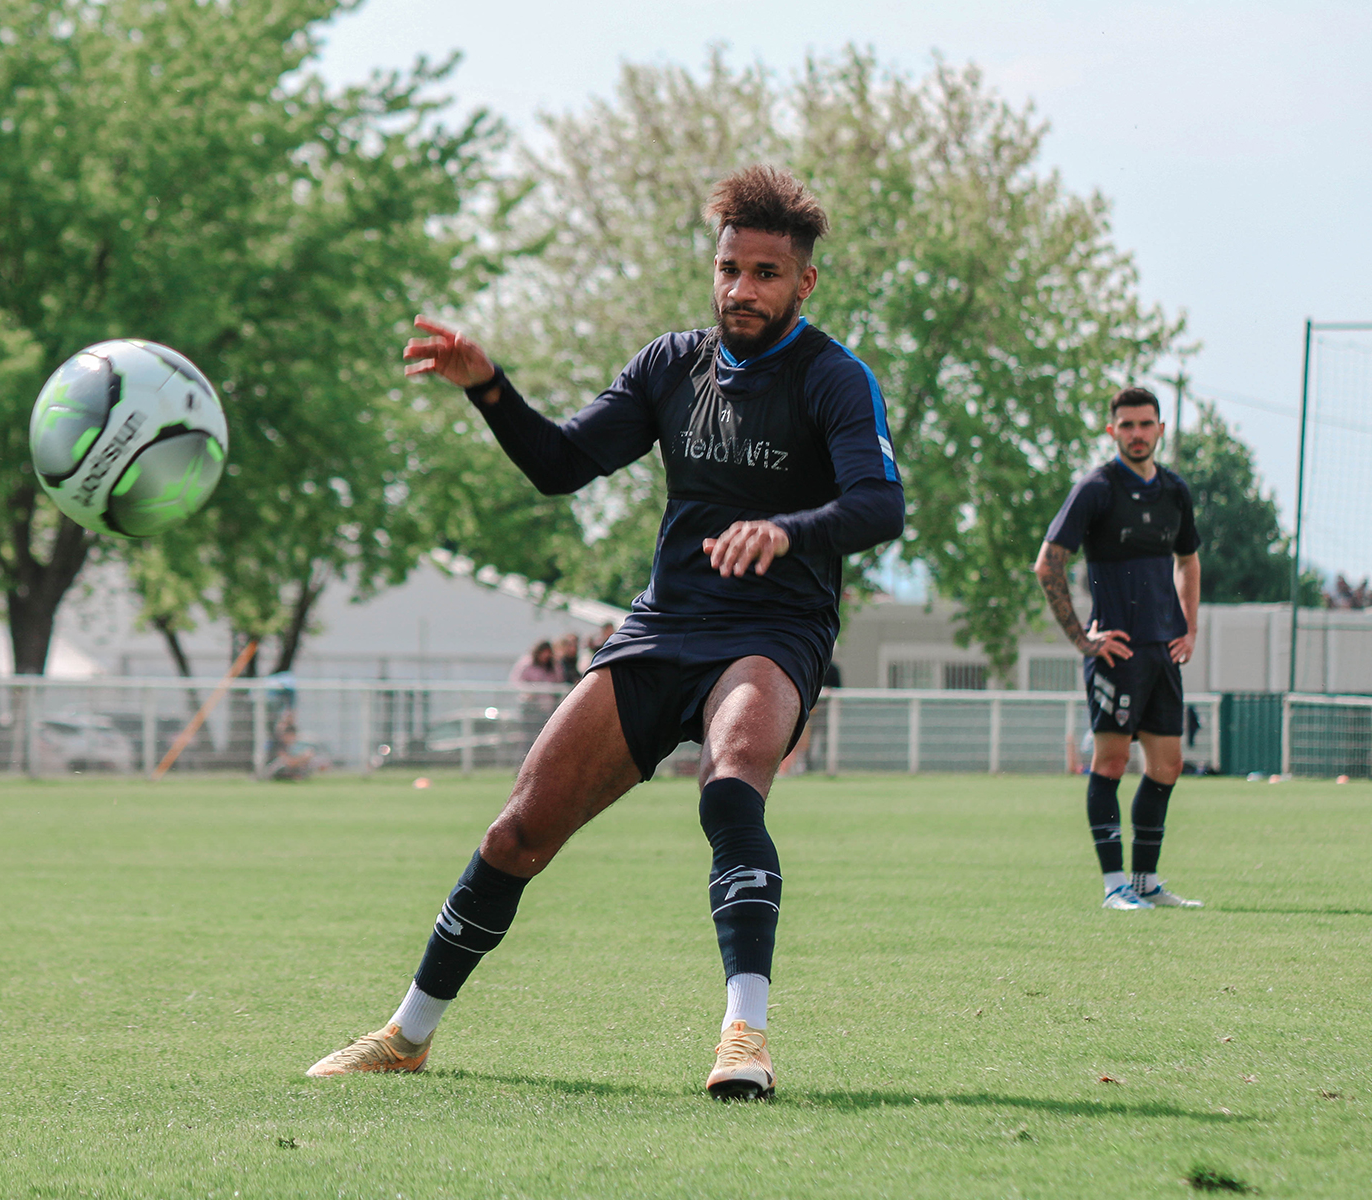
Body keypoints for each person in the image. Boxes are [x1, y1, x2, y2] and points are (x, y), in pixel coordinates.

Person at [306, 165, 905, 1099]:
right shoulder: (671, 366)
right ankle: (407, 1033)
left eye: (765, 273)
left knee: (731, 785)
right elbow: (561, 465)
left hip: (773, 629)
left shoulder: (834, 378)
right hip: (662, 629)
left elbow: (879, 505)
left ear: (803, 283)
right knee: (516, 833)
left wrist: (787, 530)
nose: (741, 289)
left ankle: (743, 1036)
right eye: (729, 268)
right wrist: (490, 388)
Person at [1034, 386, 1204, 911]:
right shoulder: (1096, 489)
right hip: (1117, 653)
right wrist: (1084, 640)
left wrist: (1189, 628)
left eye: (1145, 424)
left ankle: (1147, 881)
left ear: (1159, 429)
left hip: (1163, 652)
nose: (1136, 433)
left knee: (1167, 765)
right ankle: (1114, 887)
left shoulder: (1175, 491)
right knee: (1110, 764)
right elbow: (1048, 563)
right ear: (1112, 431)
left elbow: (1189, 562)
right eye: (1126, 425)